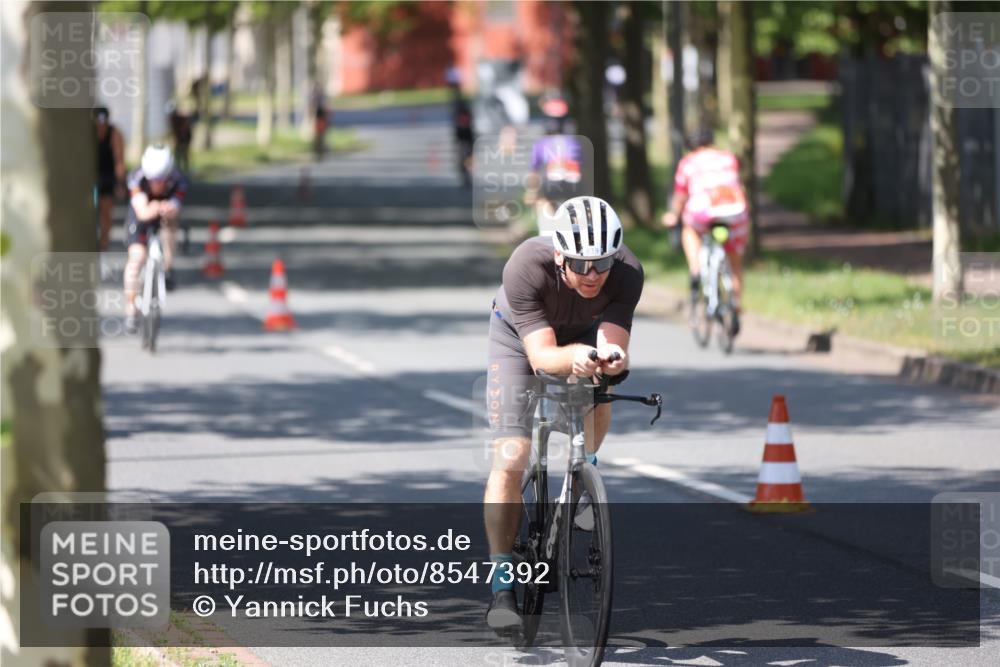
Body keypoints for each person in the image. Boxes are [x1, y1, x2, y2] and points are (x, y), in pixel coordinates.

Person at [484, 195, 644, 634]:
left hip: (583, 332)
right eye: (580, 264)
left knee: (602, 389)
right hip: (518, 339)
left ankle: (584, 474)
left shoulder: (627, 272)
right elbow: (541, 358)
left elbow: (614, 343)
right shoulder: (525, 266)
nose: (592, 274)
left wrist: (612, 359)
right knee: (512, 454)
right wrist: (573, 357)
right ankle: (502, 584)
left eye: (602, 263)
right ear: (559, 255)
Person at [661, 128, 749, 335]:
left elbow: (680, 196)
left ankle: (696, 270)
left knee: (689, 229)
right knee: (735, 263)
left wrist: (673, 215)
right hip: (735, 210)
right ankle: (736, 304)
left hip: (703, 211)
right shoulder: (729, 158)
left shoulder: (688, 163)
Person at [122, 144, 187, 334]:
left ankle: (168, 266)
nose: (157, 184)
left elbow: (176, 205)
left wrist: (169, 208)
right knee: (136, 259)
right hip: (140, 216)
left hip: (164, 216)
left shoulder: (179, 180)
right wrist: (156, 207)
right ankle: (131, 308)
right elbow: (142, 211)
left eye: (161, 180)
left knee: (171, 225)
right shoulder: (136, 178)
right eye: (153, 180)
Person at [525, 95, 585, 229]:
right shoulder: (575, 143)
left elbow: (534, 171)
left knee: (543, 205)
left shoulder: (542, 143)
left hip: (549, 187)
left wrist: (531, 191)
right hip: (573, 187)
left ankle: (547, 229)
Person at [93, 106, 126, 250]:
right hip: (90, 176)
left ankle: (104, 241)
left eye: (103, 121)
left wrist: (120, 183)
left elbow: (119, 160)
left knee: (105, 211)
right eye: (98, 121)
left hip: (107, 176)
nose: (101, 124)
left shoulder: (114, 134)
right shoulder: (87, 133)